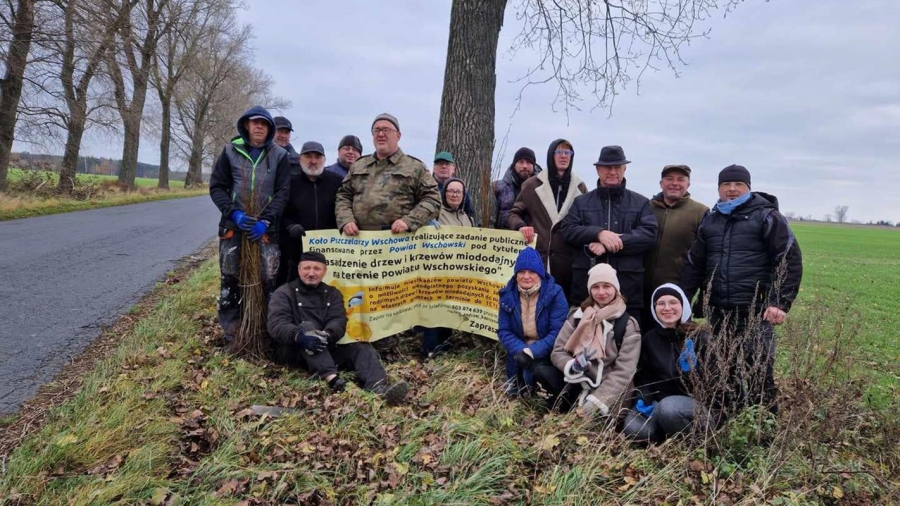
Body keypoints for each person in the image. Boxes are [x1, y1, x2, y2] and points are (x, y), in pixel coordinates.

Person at [680, 164, 803, 411]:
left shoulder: (767, 217)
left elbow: (788, 258)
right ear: (719, 188)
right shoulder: (711, 220)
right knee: (722, 370)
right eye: (726, 184)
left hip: (755, 313)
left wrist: (779, 302)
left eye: (738, 184)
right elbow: (695, 264)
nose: (732, 189)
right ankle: (725, 422)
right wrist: (682, 301)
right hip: (718, 313)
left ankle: (763, 431)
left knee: (758, 373)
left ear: (748, 188)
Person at [267, 251, 409, 405]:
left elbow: (338, 320)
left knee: (361, 347)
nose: (311, 273)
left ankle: (379, 389)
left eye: (317, 269)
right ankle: (334, 380)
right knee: (307, 326)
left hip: (325, 347)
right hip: (294, 351)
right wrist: (299, 336)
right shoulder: (283, 293)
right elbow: (276, 324)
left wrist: (327, 335)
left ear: (325, 271)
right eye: (306, 268)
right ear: (299, 269)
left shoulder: (333, 293)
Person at [209, 106, 290, 341]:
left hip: (265, 229)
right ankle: (232, 330)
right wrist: (234, 214)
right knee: (230, 276)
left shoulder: (279, 156)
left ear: (270, 129)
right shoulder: (230, 151)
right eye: (255, 123)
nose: (259, 127)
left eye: (264, 124)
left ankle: (267, 328)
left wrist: (266, 220)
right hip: (233, 228)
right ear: (246, 125)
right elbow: (217, 188)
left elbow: (283, 192)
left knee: (268, 279)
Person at [558, 145, 657, 321]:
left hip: (628, 291)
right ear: (598, 170)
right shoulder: (581, 203)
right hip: (587, 292)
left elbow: (648, 235)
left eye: (617, 167)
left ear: (624, 169)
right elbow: (567, 231)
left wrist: (608, 244)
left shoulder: (641, 203)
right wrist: (598, 233)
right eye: (607, 167)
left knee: (627, 343)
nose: (613, 172)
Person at [533, 264, 641, 416]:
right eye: (595, 287)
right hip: (577, 381)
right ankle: (561, 409)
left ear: (616, 289)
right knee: (542, 373)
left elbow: (625, 370)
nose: (601, 292)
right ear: (590, 290)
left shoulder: (628, 324)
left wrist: (596, 401)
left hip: (609, 390)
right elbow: (557, 352)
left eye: (607, 286)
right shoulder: (577, 316)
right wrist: (573, 365)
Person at [622, 284, 716, 443]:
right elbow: (645, 375)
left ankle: (697, 441)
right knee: (634, 428)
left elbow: (716, 382)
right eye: (661, 303)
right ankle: (666, 435)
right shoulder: (650, 338)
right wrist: (643, 397)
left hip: (695, 404)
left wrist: (692, 371)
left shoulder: (700, 337)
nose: (667, 308)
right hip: (660, 401)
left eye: (673, 302)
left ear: (683, 305)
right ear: (655, 308)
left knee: (669, 409)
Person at [506, 139, 587, 303]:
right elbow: (513, 214)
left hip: (569, 262)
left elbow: (586, 221)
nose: (563, 156)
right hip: (541, 260)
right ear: (551, 155)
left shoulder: (580, 188)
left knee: (564, 310)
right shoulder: (531, 185)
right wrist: (521, 226)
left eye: (567, 152)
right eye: (559, 152)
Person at [335, 113, 441, 235]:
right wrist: (346, 220)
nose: (381, 134)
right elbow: (343, 195)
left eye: (386, 130)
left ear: (398, 136)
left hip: (398, 243)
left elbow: (433, 200)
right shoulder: (358, 165)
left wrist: (409, 221)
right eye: (377, 130)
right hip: (360, 242)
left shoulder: (415, 167)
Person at [642, 164, 709, 331]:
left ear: (688, 184)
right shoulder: (646, 208)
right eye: (669, 179)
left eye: (681, 179)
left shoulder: (700, 212)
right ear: (661, 183)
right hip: (642, 289)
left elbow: (705, 256)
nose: (674, 183)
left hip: (678, 292)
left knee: (674, 340)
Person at [497, 247, 569, 397]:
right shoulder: (507, 295)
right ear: (516, 274)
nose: (526, 276)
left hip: (545, 353)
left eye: (532, 272)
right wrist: (521, 349)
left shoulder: (555, 294)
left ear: (540, 274)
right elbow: (504, 330)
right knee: (513, 395)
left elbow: (558, 332)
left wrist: (531, 352)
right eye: (521, 272)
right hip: (517, 352)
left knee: (537, 396)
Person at [419, 178, 476, 358]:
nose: (454, 194)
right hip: (436, 272)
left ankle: (444, 345)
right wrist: (427, 225)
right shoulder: (436, 213)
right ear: (444, 193)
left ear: (463, 195)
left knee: (450, 311)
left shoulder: (466, 217)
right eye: (450, 191)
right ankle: (430, 350)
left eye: (458, 192)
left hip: (458, 274)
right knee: (434, 311)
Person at [277, 141, 343, 285]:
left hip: (331, 252)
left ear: (324, 160)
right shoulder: (289, 183)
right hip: (296, 253)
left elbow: (346, 209)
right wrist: (290, 226)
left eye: (318, 157)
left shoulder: (337, 182)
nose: (313, 161)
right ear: (300, 159)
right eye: (308, 156)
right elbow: (279, 213)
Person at [492, 147, 541, 229]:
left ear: (534, 165)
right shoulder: (496, 188)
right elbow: (489, 221)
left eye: (528, 162)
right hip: (503, 239)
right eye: (521, 162)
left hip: (535, 239)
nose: (525, 166)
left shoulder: (543, 189)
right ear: (514, 165)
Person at [432, 151, 476, 221]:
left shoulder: (461, 190)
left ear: (453, 169)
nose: (444, 166)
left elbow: (470, 214)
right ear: (434, 169)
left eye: (447, 164)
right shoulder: (426, 188)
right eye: (440, 164)